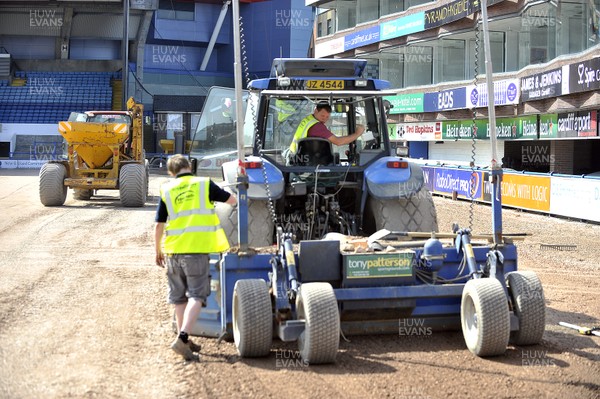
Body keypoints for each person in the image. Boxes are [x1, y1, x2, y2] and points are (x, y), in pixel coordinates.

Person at [154, 154, 236, 361]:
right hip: (196, 251)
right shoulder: (203, 184)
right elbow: (232, 200)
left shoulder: (167, 189)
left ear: (171, 172)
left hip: (173, 252)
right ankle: (182, 338)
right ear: (190, 166)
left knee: (180, 298)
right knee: (197, 296)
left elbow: (159, 224)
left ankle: (186, 339)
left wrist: (158, 250)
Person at [288, 103, 365, 156]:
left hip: (297, 156)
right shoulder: (317, 127)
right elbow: (338, 142)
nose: (324, 119)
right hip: (306, 161)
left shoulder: (309, 119)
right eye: (322, 115)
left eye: (327, 117)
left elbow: (332, 121)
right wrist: (357, 134)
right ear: (316, 111)